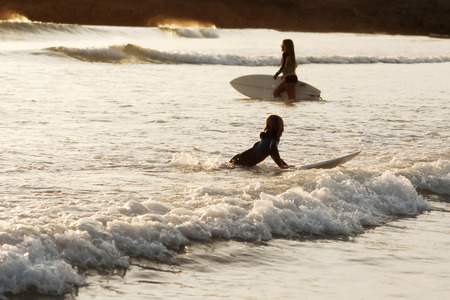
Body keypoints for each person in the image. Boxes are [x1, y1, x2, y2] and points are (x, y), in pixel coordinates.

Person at [229, 115, 293, 169]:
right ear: (280, 127)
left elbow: (273, 153)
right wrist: (281, 166)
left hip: (239, 158)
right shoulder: (274, 138)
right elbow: (273, 150)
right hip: (244, 162)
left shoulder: (266, 138)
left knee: (226, 167)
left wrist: (286, 165)